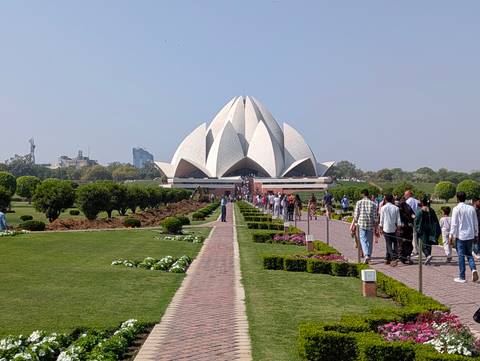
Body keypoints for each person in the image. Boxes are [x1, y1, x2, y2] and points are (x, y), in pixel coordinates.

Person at [449, 192, 479, 283]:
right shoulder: (471, 208)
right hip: (470, 235)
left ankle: (462, 277)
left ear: (457, 199)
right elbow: (475, 222)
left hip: (461, 236)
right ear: (465, 198)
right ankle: (473, 269)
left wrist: (451, 236)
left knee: (461, 256)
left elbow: (454, 224)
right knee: (469, 254)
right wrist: (476, 234)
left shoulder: (456, 208)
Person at [353, 189, 378, 264]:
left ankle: (366, 255)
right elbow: (375, 217)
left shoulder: (359, 202)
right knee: (370, 241)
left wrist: (354, 222)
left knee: (363, 240)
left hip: (361, 224)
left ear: (363, 194)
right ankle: (369, 255)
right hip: (370, 224)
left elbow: (356, 214)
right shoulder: (373, 204)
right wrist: (376, 226)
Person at [414, 196, 441, 266]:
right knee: (429, 243)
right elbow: (435, 220)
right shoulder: (431, 210)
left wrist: (416, 227)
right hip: (431, 229)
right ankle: (428, 256)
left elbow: (416, 220)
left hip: (422, 229)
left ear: (422, 203)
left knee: (422, 244)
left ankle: (427, 255)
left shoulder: (420, 211)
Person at [379, 194, 402, 266]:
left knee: (388, 244)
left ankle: (393, 258)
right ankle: (388, 257)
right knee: (394, 243)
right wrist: (398, 229)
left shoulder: (383, 208)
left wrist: (380, 227)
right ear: (392, 199)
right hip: (394, 228)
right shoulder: (396, 208)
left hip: (386, 228)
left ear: (385, 199)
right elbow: (398, 220)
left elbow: (381, 219)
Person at [397, 198, 415, 264]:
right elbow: (413, 216)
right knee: (409, 243)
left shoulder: (398, 209)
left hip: (401, 229)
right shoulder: (409, 208)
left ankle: (402, 258)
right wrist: (411, 222)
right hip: (409, 229)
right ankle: (408, 256)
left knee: (401, 243)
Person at [405, 190, 420, 255]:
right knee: (416, 235)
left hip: (409, 220)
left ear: (409, 195)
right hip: (417, 219)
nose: (404, 196)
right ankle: (416, 249)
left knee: (410, 236)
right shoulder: (417, 201)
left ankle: (414, 250)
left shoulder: (407, 202)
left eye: (405, 194)